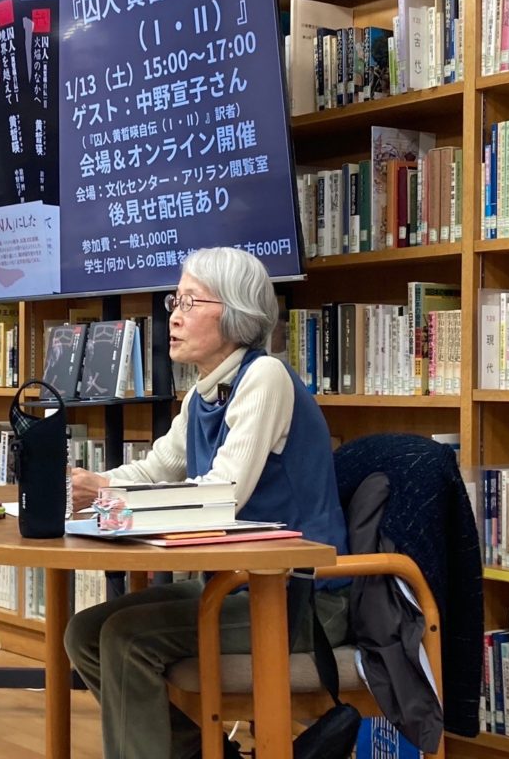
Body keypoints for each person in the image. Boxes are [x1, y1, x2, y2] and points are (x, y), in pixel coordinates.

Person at [64, 246, 351, 759]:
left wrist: (111, 497)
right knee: (84, 632)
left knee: (126, 639)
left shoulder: (265, 377)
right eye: (175, 301)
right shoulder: (203, 394)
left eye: (190, 302)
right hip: (235, 585)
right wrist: (93, 484)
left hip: (296, 601)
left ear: (236, 313)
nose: (173, 316)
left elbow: (222, 495)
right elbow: (157, 468)